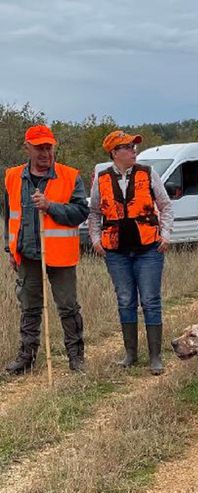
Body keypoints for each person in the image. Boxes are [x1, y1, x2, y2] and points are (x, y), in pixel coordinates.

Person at [4, 125, 89, 374]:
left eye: (48, 147)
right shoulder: (13, 177)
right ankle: (27, 357)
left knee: (68, 307)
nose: (45, 152)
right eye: (39, 147)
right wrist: (11, 249)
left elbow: (80, 213)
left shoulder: (69, 176)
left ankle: (76, 358)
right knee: (29, 307)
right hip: (27, 255)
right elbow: (11, 216)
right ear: (27, 148)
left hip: (60, 256)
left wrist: (51, 206)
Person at [88, 130, 174, 375]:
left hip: (149, 249)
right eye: (127, 147)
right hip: (116, 252)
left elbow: (165, 206)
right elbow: (94, 213)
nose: (133, 151)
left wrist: (165, 235)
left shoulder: (148, 174)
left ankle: (155, 356)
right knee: (125, 300)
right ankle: (130, 354)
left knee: (150, 300)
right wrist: (95, 240)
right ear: (114, 153)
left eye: (133, 147)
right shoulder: (101, 179)